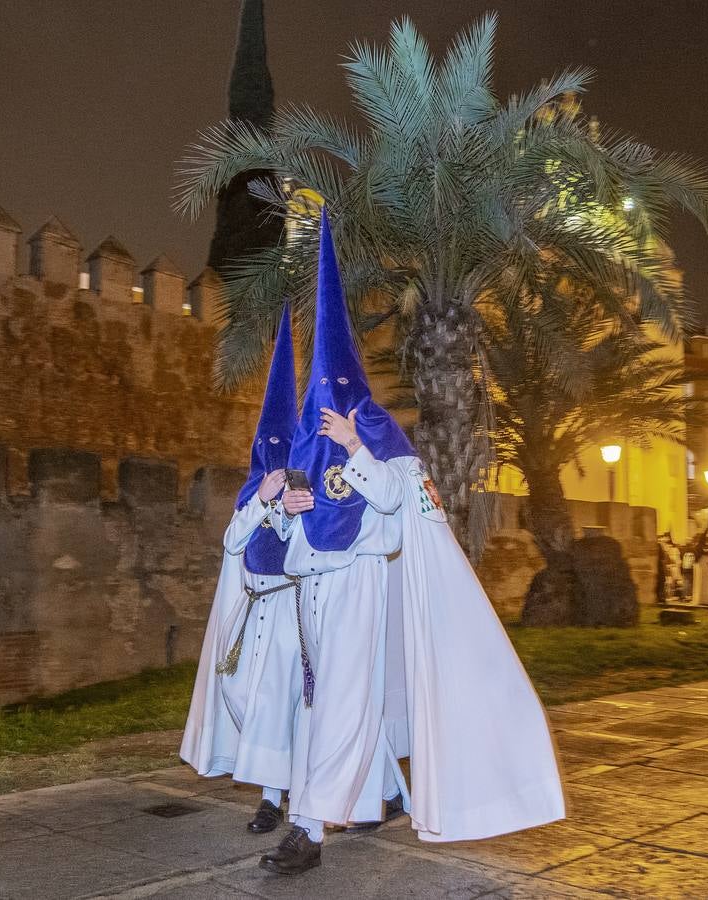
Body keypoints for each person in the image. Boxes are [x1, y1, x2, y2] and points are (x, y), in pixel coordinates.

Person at [260, 209, 564, 876]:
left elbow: (399, 496)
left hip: (361, 584)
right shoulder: (307, 433)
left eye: (334, 388)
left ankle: (306, 830)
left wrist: (355, 449)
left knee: (338, 699)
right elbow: (293, 521)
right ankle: (383, 791)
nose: (326, 397)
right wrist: (287, 507)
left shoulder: (375, 427)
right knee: (330, 699)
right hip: (309, 589)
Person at [180, 306, 302, 836]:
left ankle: (275, 800)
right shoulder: (252, 494)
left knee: (279, 705)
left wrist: (291, 508)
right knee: (245, 698)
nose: (273, 459)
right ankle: (275, 788)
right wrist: (262, 502)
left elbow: (309, 549)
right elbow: (233, 541)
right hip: (252, 614)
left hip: (289, 614)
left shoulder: (307, 493)